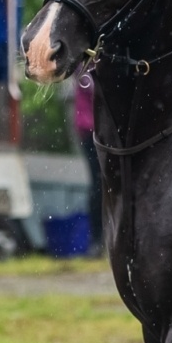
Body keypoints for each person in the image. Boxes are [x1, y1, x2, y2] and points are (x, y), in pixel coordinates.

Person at [74, 72, 105, 258]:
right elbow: (96, 90)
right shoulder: (85, 70)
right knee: (98, 186)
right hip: (91, 131)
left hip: (99, 130)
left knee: (102, 186)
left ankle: (100, 239)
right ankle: (97, 240)